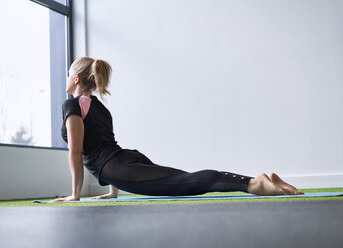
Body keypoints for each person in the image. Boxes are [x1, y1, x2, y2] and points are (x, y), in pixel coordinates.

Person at [50, 57, 304, 202]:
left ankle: (254, 183)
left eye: (69, 71)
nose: (67, 75)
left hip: (118, 166)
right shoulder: (100, 107)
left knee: (183, 183)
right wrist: (112, 190)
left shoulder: (72, 105)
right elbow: (105, 144)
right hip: (125, 159)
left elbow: (77, 153)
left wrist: (75, 195)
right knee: (184, 178)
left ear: (77, 79)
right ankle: (256, 180)